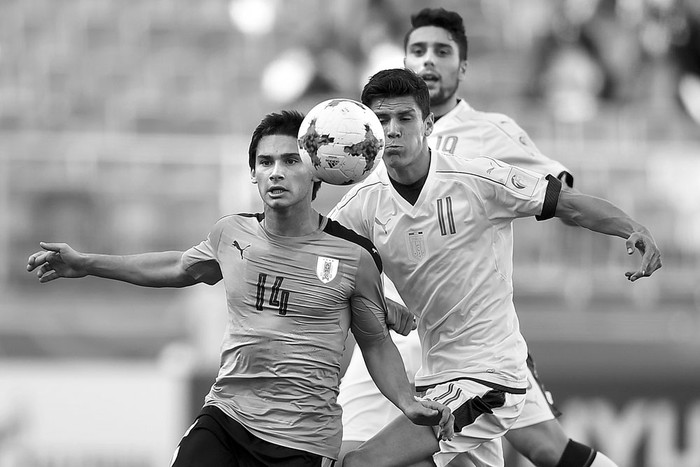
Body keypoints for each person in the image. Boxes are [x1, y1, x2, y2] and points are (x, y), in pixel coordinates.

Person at [25, 110, 454, 466]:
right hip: (227, 417)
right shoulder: (231, 234)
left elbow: (375, 343)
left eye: (290, 161)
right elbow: (177, 266)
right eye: (265, 163)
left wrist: (407, 402)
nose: (276, 173)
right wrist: (86, 263)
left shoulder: (353, 256)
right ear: (252, 174)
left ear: (318, 172)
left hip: (301, 439)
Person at [330, 68, 661, 467]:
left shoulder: (477, 179)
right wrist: (382, 305)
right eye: (382, 121)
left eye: (405, 118)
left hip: (489, 376)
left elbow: (568, 204)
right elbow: (325, 270)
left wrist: (632, 227)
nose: (393, 130)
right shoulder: (361, 203)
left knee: (360, 463)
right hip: (434, 374)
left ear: (429, 124)